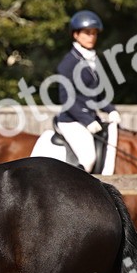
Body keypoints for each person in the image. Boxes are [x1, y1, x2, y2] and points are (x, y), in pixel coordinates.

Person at [53, 10, 121, 171]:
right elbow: (66, 99)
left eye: (94, 33)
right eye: (87, 33)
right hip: (72, 121)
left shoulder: (92, 60)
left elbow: (96, 95)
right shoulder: (68, 63)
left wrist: (110, 110)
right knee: (88, 158)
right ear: (76, 35)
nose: (91, 37)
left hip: (90, 118)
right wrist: (87, 120)